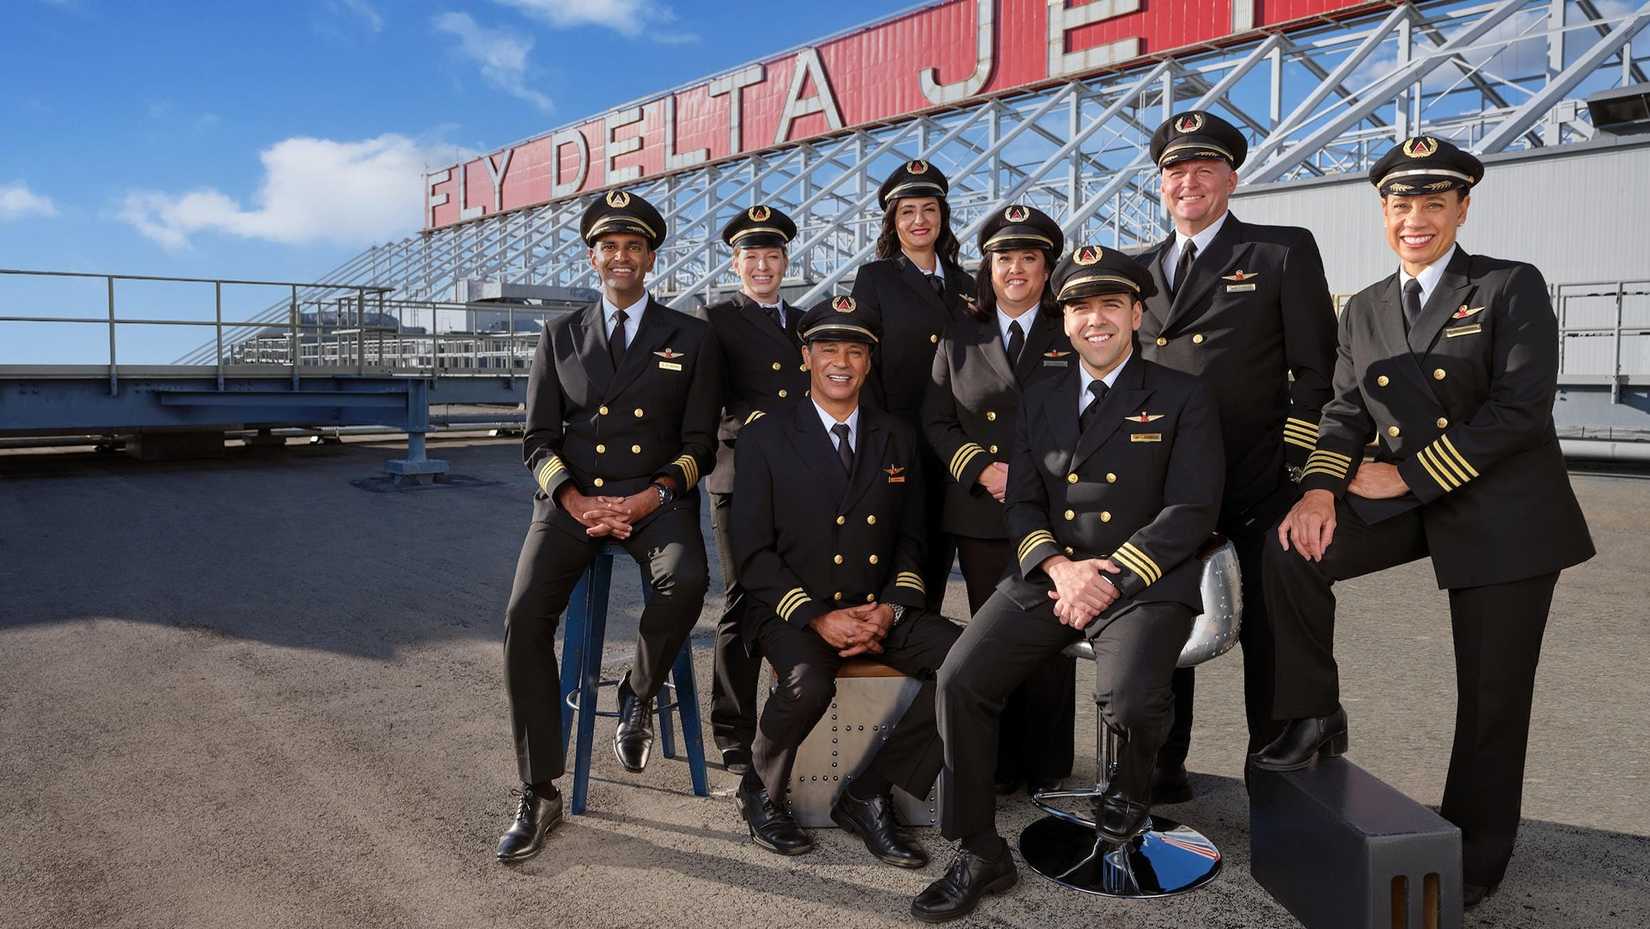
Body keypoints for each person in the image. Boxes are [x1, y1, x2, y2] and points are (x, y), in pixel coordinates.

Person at [1251, 136, 1595, 909]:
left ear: (1462, 208)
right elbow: (1342, 410)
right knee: (1294, 550)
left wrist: (1405, 473)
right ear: (1383, 213)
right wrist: (1318, 489)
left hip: (1505, 509)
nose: (1416, 218)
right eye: (1401, 204)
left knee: (1491, 693)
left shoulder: (1508, 285)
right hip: (1415, 500)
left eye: (1434, 203)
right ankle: (1312, 710)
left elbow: (1519, 412)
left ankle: (1475, 854)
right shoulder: (1366, 306)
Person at [914, 246, 1224, 922]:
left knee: (1132, 700)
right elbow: (1023, 501)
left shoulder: (1181, 394)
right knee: (960, 678)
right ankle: (976, 847)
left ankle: (1127, 808)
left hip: (1143, 576)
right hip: (1054, 573)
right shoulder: (1043, 398)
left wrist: (1107, 574)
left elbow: (1194, 508)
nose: (1096, 319)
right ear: (1068, 320)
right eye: (1082, 307)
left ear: (1137, 313)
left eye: (1111, 303)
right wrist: (1058, 566)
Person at [494, 189, 721, 863]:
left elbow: (701, 442)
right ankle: (539, 789)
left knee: (687, 580)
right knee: (524, 616)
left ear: (651, 257)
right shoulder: (559, 331)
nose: (621, 257)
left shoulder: (692, 336)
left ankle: (637, 689)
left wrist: (651, 497)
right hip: (575, 502)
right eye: (609, 247)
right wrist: (572, 500)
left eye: (634, 247)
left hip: (654, 499)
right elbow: (536, 437)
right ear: (594, 258)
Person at [1134, 110, 1338, 803]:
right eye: (1173, 171)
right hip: (1163, 484)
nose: (1186, 182)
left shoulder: (1279, 252)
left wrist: (1295, 464)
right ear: (1159, 185)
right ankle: (1161, 766)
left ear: (1232, 177)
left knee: (1269, 633)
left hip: (1255, 478)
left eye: (1202, 168)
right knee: (1163, 622)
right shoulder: (1134, 270)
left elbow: (1317, 370)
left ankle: (1277, 782)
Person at [730, 295, 961, 867]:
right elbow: (751, 551)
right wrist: (815, 617)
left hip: (877, 605)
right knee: (808, 683)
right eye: (828, 348)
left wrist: (888, 609)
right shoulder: (764, 436)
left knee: (970, 665)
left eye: (855, 350)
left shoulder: (896, 435)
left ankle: (868, 793)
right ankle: (759, 792)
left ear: (869, 362)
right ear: (805, 357)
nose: (841, 360)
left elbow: (912, 540)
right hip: (795, 608)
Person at [922, 203, 1075, 796]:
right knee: (997, 639)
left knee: (1055, 636)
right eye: (1003, 257)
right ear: (987, 267)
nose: (1015, 268)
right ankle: (1001, 765)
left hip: (1057, 506)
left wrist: (1036, 476)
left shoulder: (1071, 325)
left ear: (1046, 267)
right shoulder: (961, 334)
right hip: (983, 510)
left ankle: (1049, 766)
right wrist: (982, 469)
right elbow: (936, 420)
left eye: (1028, 258)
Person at [702, 204, 809, 773]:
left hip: (803, 481)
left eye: (771, 255)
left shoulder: (808, 321)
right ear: (735, 262)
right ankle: (733, 726)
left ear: (786, 259)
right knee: (744, 599)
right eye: (751, 256)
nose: (762, 265)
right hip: (740, 478)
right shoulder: (716, 321)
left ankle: (789, 715)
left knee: (801, 594)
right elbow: (708, 401)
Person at [850, 160, 976, 610]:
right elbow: (863, 367)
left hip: (958, 452)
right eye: (907, 212)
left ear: (942, 217)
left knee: (943, 563)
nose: (919, 221)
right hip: (899, 446)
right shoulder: (876, 279)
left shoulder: (968, 284)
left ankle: (931, 672)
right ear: (893, 220)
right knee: (898, 565)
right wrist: (878, 443)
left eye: (928, 209)